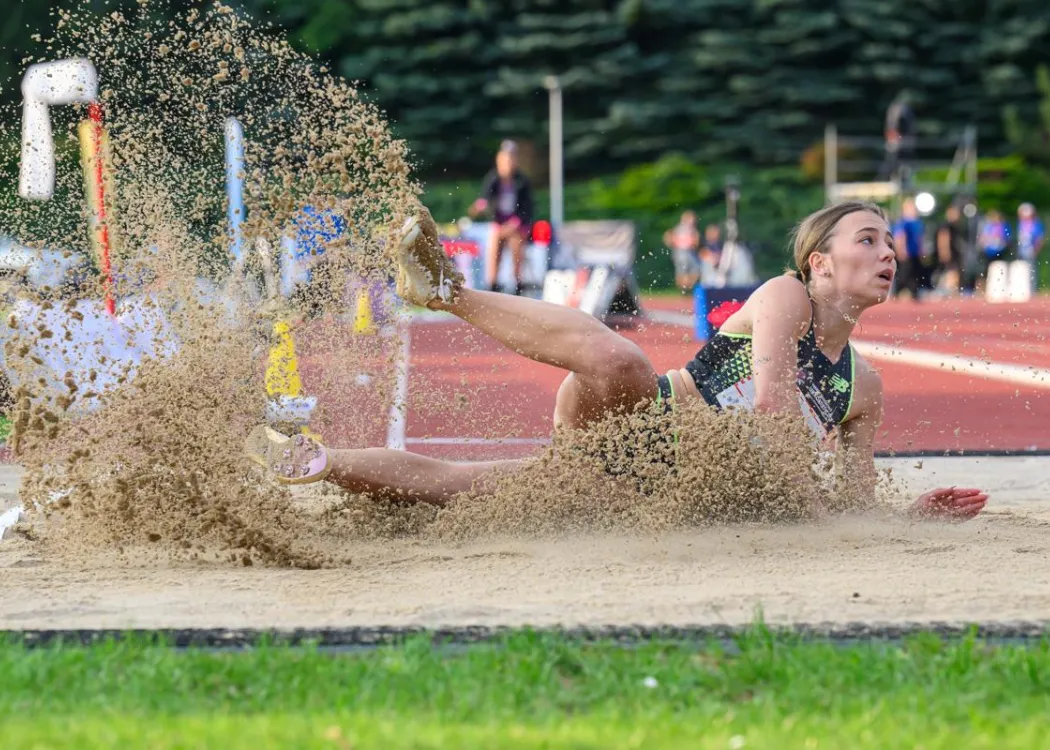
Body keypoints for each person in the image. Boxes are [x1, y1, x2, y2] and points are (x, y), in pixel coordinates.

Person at [245, 201, 988, 522]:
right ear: (820, 263)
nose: (888, 253)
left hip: (644, 494)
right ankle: (446, 290)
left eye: (891, 243)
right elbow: (769, 404)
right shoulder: (785, 296)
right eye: (868, 239)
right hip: (636, 423)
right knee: (621, 361)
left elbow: (854, 503)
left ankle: (314, 460)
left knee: (463, 489)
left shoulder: (866, 387)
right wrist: (816, 516)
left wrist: (907, 516)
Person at [469, 140, 535, 296]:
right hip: (499, 223)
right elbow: (486, 199)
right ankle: (493, 284)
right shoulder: (493, 179)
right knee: (494, 246)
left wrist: (517, 222)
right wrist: (480, 207)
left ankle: (518, 284)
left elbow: (528, 206)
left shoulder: (522, 181)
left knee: (517, 247)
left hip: (516, 224)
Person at [892, 197, 926, 300]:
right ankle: (897, 292)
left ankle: (914, 292)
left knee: (915, 273)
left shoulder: (918, 222)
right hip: (907, 253)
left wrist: (921, 250)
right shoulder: (903, 222)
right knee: (904, 273)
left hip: (915, 252)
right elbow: (900, 236)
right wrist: (901, 250)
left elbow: (919, 238)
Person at [665, 211, 702, 292]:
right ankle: (685, 288)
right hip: (684, 253)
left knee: (685, 272)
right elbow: (696, 241)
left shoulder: (678, 228)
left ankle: (685, 288)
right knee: (689, 271)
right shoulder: (689, 229)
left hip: (683, 253)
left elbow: (668, 237)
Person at [934, 204, 965, 296]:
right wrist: (944, 252)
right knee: (951, 272)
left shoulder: (956, 226)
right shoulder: (946, 225)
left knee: (954, 272)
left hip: (954, 253)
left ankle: (951, 290)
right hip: (950, 253)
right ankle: (950, 291)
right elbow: (943, 238)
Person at [1016, 202, 1045, 294]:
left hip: (1030, 251)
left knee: (1031, 271)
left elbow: (1039, 239)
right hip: (1021, 250)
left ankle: (1032, 290)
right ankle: (1022, 289)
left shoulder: (1036, 224)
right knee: (1022, 270)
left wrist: (1036, 250)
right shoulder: (1021, 223)